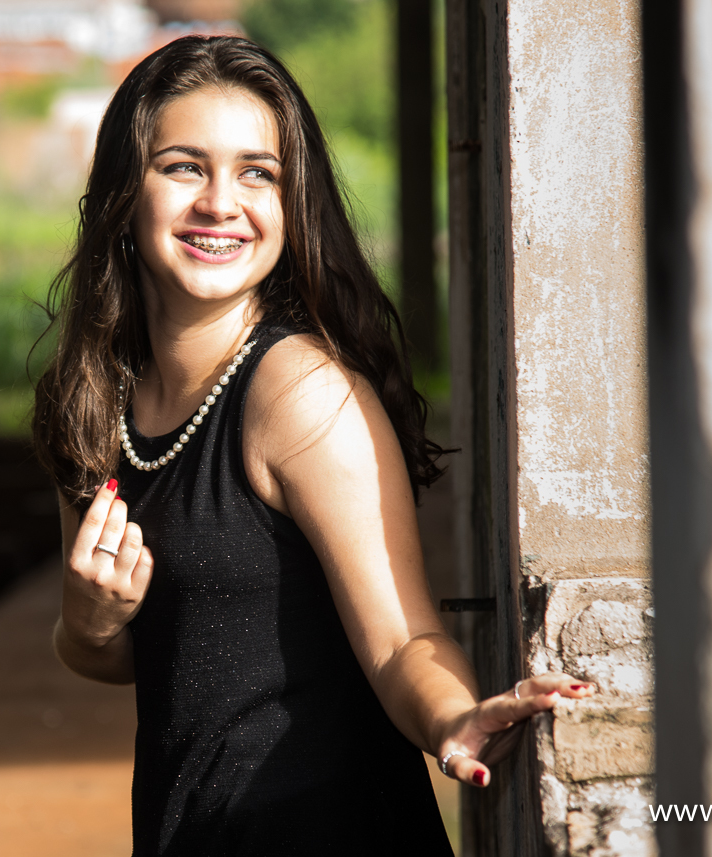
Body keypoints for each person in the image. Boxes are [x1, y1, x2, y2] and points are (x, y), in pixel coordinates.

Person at [32, 35, 594, 856]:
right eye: (184, 166)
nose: (221, 202)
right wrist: (87, 620)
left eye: (257, 172)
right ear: (125, 189)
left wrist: (455, 717)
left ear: (293, 203)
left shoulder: (299, 393)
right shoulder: (91, 400)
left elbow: (404, 636)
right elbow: (126, 651)